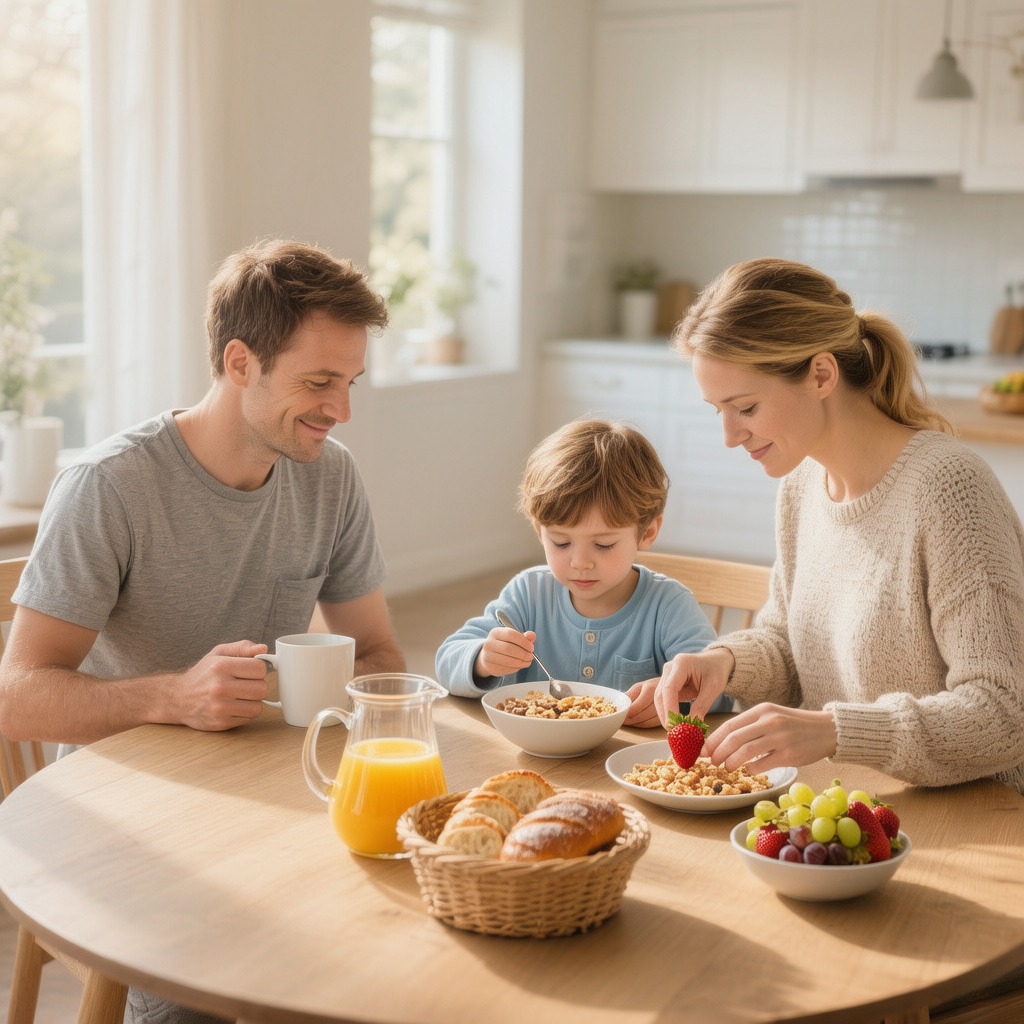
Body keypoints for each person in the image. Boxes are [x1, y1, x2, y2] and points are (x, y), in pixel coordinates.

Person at [0, 239, 406, 1023]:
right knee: (221, 992)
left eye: (350, 383)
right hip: (130, 823)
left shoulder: (332, 474)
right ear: (241, 361)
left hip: (274, 797)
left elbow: (378, 653)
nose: (340, 408)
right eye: (319, 382)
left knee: (400, 945)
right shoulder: (110, 487)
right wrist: (173, 696)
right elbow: (16, 698)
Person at [653, 257, 1024, 799]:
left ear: (822, 374)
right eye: (719, 412)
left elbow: (1005, 711)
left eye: (746, 407)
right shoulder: (802, 484)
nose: (731, 436)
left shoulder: (949, 490)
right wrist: (723, 662)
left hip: (971, 817)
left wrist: (833, 731)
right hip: (840, 801)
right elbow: (789, 646)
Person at [435, 419, 719, 727]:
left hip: (623, 766)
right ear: (539, 532)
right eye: (561, 542)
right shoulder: (528, 593)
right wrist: (482, 660)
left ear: (647, 532)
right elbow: (447, 659)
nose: (580, 562)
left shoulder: (669, 605)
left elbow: (720, 688)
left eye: (603, 544)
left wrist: (675, 695)